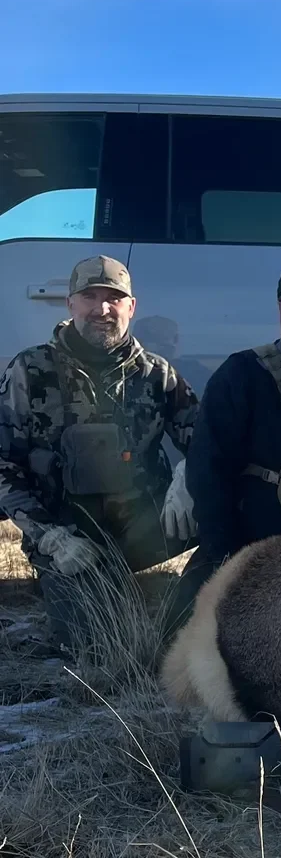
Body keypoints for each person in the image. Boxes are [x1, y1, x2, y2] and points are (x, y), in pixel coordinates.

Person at [0, 255, 198, 655]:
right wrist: (49, 536)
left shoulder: (157, 373)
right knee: (91, 645)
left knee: (232, 506)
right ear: (70, 304)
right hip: (69, 541)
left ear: (131, 307)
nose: (102, 309)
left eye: (114, 298)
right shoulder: (30, 369)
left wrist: (189, 476)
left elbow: (209, 438)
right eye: (90, 296)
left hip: (147, 531)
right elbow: (3, 464)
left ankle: (206, 606)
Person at [164, 257, 281, 633]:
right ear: (280, 310)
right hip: (249, 539)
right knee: (178, 640)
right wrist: (227, 556)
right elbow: (209, 467)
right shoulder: (242, 373)